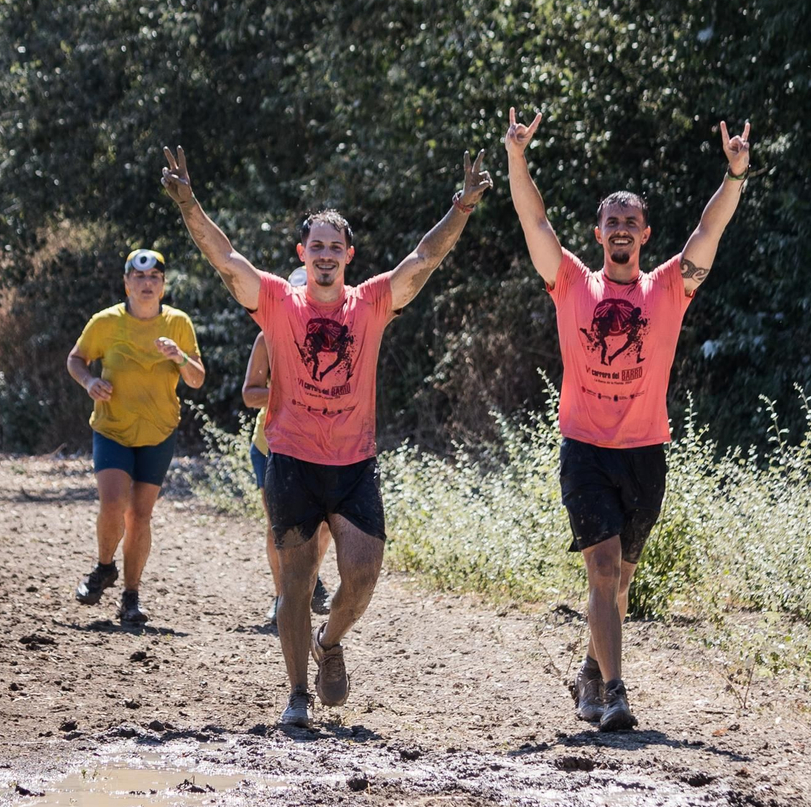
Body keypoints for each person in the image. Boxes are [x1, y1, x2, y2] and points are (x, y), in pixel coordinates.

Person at [161, 144, 492, 727]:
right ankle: (295, 694)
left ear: (349, 257)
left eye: (335, 247)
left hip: (353, 464)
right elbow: (224, 256)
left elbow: (422, 259)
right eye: (316, 246)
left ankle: (329, 642)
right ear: (301, 253)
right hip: (291, 459)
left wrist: (461, 208)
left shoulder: (370, 303)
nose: (325, 255)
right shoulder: (275, 301)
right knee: (295, 582)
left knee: (361, 579)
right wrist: (188, 201)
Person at [505, 108, 751, 731]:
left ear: (644, 234)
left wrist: (736, 175)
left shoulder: (669, 287)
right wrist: (516, 156)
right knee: (604, 567)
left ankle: (589, 670)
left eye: (630, 223)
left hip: (645, 451)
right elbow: (533, 218)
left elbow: (709, 232)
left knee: (618, 588)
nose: (620, 230)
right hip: (585, 446)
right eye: (611, 222)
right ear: (597, 235)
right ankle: (615, 689)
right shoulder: (570, 283)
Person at [66, 248, 206, 626]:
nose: (147, 284)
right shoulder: (105, 322)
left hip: (158, 432)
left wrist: (178, 356)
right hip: (112, 429)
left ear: (162, 286)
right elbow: (76, 359)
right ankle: (103, 566)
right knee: (113, 504)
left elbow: (196, 378)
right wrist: (90, 380)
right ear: (126, 282)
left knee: (140, 516)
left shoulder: (178, 324)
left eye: (155, 279)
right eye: (139, 278)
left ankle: (130, 597)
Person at [242, 266, 332, 628]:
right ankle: (282, 598)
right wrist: (288, 394)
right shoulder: (267, 338)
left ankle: (310, 581)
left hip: (322, 446)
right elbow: (250, 394)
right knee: (278, 527)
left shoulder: (335, 338)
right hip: (271, 445)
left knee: (323, 526)